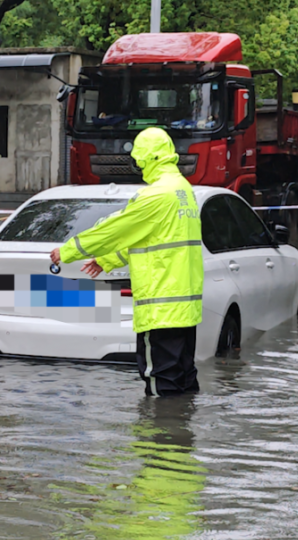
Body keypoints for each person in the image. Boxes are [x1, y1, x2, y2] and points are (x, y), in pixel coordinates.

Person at [50, 127, 204, 396]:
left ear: (146, 158)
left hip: (160, 308)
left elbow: (116, 229)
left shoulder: (156, 195)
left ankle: (159, 436)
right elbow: (152, 241)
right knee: (184, 375)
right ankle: (183, 432)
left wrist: (69, 251)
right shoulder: (183, 190)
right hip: (183, 306)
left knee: (160, 383)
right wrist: (107, 260)